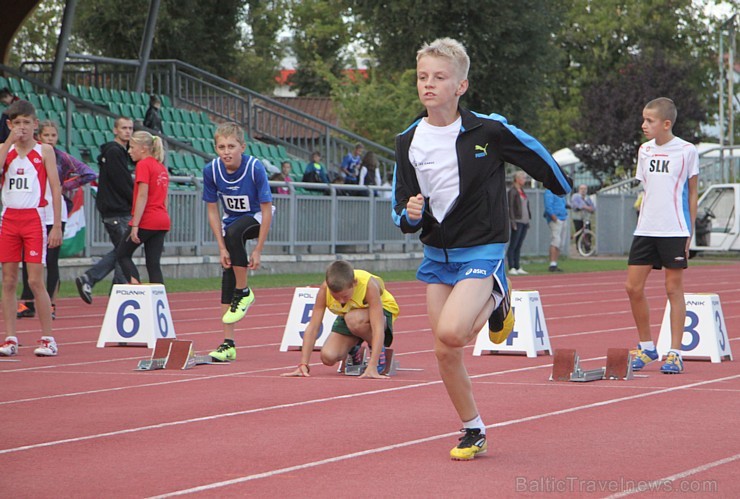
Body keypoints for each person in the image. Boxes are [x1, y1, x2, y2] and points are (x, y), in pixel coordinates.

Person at [392, 38, 572, 460]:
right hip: (438, 254)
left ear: (461, 85)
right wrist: (411, 214)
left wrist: (561, 191)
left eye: (439, 77)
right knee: (444, 349)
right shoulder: (407, 141)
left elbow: (536, 155)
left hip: (483, 247)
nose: (429, 85)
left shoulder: (487, 130)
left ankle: (497, 292)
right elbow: (400, 207)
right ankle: (473, 429)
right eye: (423, 77)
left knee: (453, 331)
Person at [625, 97, 699, 375]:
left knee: (672, 289)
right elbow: (647, 190)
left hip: (674, 229)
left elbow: (692, 193)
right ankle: (646, 347)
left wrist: (689, 231)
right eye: (644, 119)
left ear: (666, 124)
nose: (644, 125)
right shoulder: (644, 150)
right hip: (646, 228)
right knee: (632, 287)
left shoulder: (687, 151)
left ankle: (675, 352)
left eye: (649, 121)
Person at [202, 122, 273, 361]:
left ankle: (244, 291)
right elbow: (212, 210)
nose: (226, 151)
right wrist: (220, 247)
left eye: (231, 146)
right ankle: (227, 344)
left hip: (255, 218)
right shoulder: (211, 170)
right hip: (230, 222)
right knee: (227, 270)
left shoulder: (255, 168)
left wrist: (258, 250)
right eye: (221, 146)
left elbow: (267, 210)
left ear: (242, 147)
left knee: (235, 233)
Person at [0, 100, 63, 357]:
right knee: (8, 280)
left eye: (27, 123)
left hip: (34, 219)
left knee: (36, 280)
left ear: (35, 124)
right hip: (8, 219)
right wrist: (8, 142)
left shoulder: (44, 150)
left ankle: (48, 337)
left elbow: (56, 187)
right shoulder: (6, 151)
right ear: (9, 125)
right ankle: (10, 337)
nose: (22, 128)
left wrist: (56, 224)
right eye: (17, 123)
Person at [16, 120, 97, 319]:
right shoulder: (32, 154)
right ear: (39, 136)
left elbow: (88, 173)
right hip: (33, 211)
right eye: (47, 136)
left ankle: (50, 304)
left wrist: (64, 186)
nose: (50, 139)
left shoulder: (61, 157)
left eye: (53, 136)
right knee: (30, 260)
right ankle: (27, 302)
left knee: (51, 261)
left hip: (54, 213)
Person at [282, 260, 400, 379]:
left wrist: (372, 365)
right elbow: (313, 327)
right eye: (336, 297)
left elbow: (378, 327)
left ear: (354, 283)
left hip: (382, 311)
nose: (341, 301)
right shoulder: (324, 291)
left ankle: (378, 352)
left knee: (353, 319)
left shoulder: (368, 285)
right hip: (350, 316)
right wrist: (304, 364)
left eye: (345, 296)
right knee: (328, 357)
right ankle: (354, 349)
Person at [75, 117, 135, 304]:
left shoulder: (116, 153)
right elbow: (121, 182)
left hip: (115, 209)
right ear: (115, 130)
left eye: (130, 128)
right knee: (124, 251)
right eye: (124, 128)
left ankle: (98, 282)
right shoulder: (114, 152)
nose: (128, 131)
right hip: (117, 210)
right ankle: (115, 291)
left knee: (121, 250)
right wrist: (136, 200)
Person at [115, 131, 170, 284]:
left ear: (144, 148)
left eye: (132, 147)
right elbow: (165, 198)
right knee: (153, 264)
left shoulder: (143, 165)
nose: (129, 151)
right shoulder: (161, 167)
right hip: (162, 220)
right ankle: (159, 302)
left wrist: (135, 225)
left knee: (122, 254)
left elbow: (142, 195)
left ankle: (136, 290)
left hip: (148, 218)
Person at [506, 171, 531, 275]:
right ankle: (511, 266)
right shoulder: (512, 191)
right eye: (523, 178)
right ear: (517, 179)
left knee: (519, 244)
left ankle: (517, 265)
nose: (525, 180)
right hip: (517, 220)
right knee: (513, 244)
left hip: (524, 220)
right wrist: (512, 221)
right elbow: (510, 207)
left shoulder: (522, 191)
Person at [544, 188, 568, 272]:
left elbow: (563, 203)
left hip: (563, 217)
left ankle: (555, 263)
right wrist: (554, 217)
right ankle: (552, 263)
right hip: (556, 219)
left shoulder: (560, 191)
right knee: (556, 240)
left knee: (560, 242)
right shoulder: (549, 191)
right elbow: (548, 206)